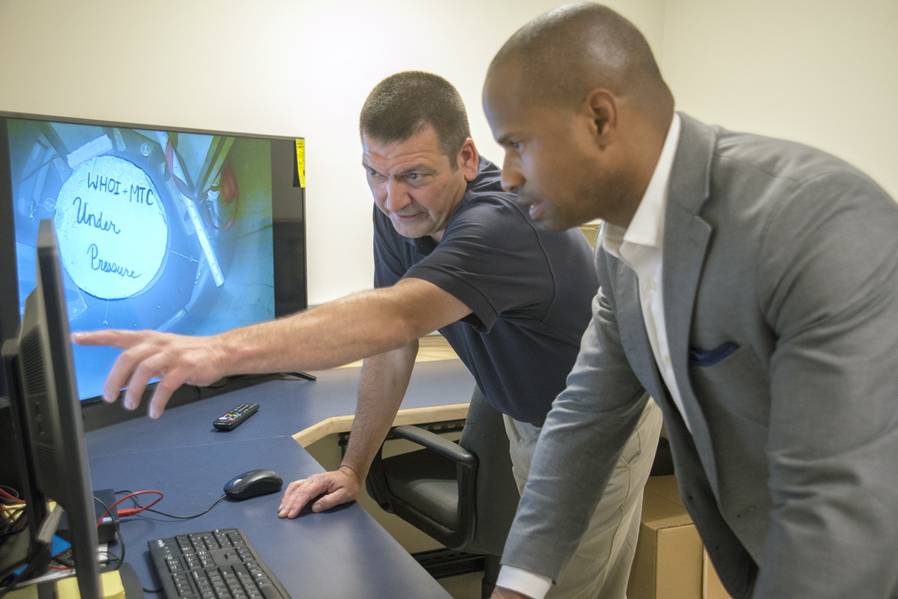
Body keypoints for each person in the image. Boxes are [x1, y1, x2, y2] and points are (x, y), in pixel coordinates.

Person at [75, 71, 662, 598]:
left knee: (566, 590)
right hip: (528, 410)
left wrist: (220, 350)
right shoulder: (403, 210)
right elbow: (391, 341)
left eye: (413, 175)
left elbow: (397, 316)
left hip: (596, 428)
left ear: (465, 156)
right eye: (374, 174)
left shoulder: (502, 220)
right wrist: (353, 469)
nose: (390, 197)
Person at [481, 3, 898, 599]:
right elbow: (584, 419)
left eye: (518, 144)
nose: (510, 176)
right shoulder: (621, 251)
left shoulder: (815, 221)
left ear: (600, 118)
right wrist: (518, 585)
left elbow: (838, 505)